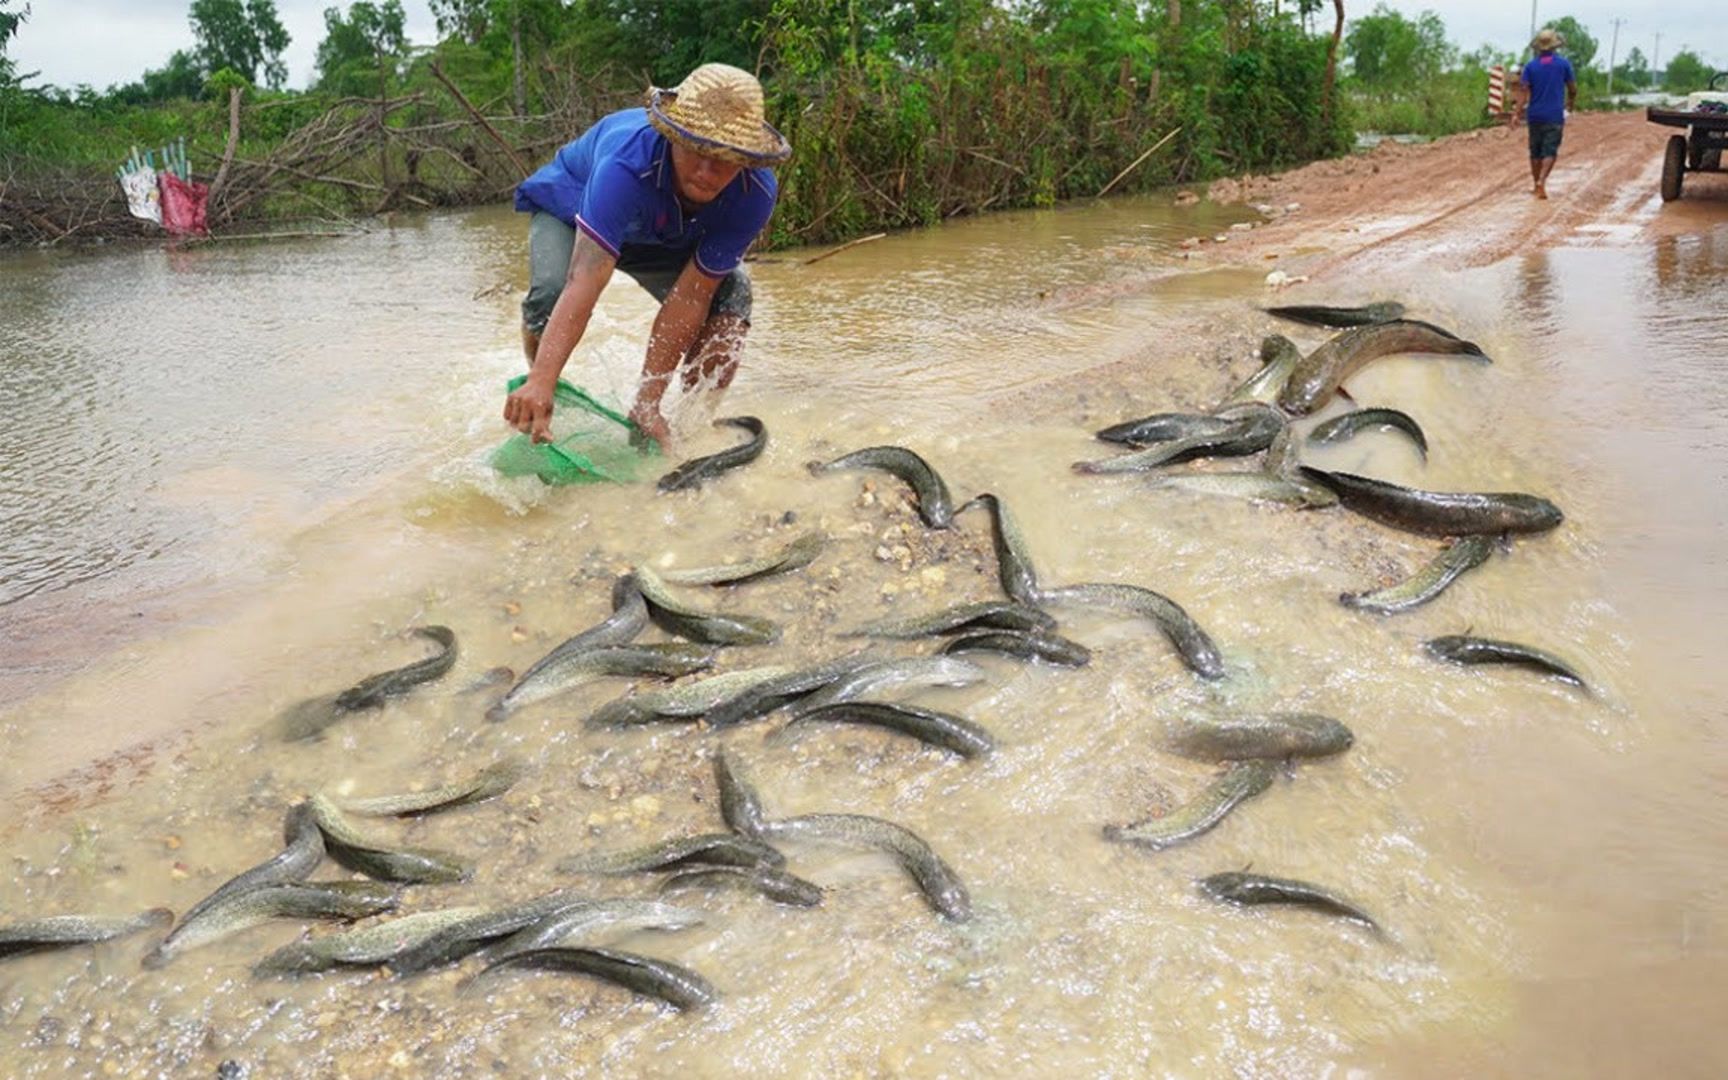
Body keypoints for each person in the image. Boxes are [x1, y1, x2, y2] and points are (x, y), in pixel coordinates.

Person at [503, 63, 791, 447]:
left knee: (731, 297)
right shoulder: (625, 164)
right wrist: (541, 380)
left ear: (747, 158)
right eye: (695, 149)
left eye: (725, 156)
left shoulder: (755, 192)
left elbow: (691, 295)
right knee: (551, 292)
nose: (707, 171)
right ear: (672, 136)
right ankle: (540, 393)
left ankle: (691, 425)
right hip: (572, 206)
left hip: (659, 230)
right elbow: (583, 282)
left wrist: (647, 401)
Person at [1512, 28, 1577, 200]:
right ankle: (1542, 181)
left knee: (1535, 151)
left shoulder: (1530, 67)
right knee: (1550, 151)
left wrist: (1516, 114)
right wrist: (1571, 103)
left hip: (1534, 115)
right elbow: (1572, 88)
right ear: (1555, 46)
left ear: (1538, 47)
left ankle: (1535, 184)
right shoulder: (1563, 65)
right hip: (1554, 115)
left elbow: (1523, 92)